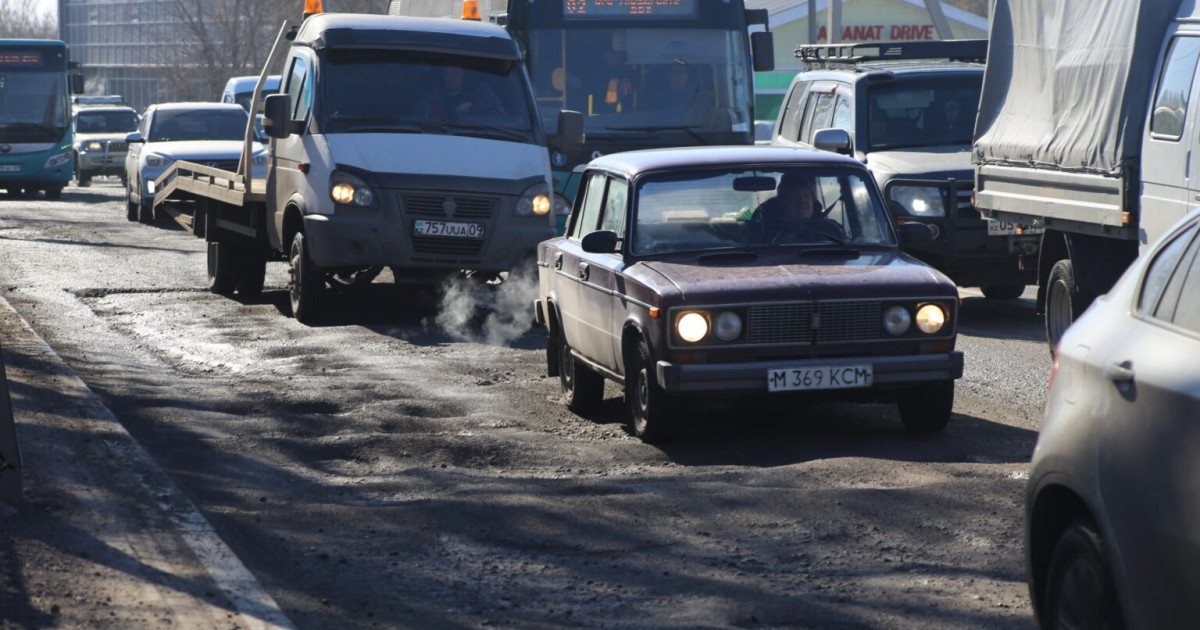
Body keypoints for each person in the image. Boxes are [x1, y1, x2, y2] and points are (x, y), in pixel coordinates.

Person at [418, 63, 503, 119]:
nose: (452, 77)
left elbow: (497, 116)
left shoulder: (479, 94)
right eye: (448, 73)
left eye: (456, 72)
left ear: (463, 74)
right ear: (442, 76)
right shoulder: (429, 97)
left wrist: (472, 110)